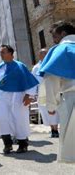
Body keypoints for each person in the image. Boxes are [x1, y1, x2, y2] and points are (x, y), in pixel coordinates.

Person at [0, 45, 39, 154]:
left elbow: (30, 81)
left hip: (17, 95)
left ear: (11, 53)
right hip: (1, 96)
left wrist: (29, 95)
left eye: (3, 52)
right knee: (0, 118)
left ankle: (22, 144)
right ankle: (7, 144)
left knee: (19, 119)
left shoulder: (20, 66)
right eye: (0, 52)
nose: (1, 54)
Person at [38, 21, 75, 163]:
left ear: (63, 34)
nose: (54, 40)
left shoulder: (61, 49)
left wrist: (51, 105)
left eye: (55, 36)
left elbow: (50, 80)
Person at [31, 48, 60, 137]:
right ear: (39, 56)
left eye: (46, 53)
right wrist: (33, 94)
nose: (45, 55)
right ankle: (53, 129)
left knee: (57, 109)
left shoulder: (54, 64)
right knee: (47, 111)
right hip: (42, 91)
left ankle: (57, 128)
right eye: (43, 54)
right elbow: (33, 81)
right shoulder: (36, 67)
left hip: (55, 90)